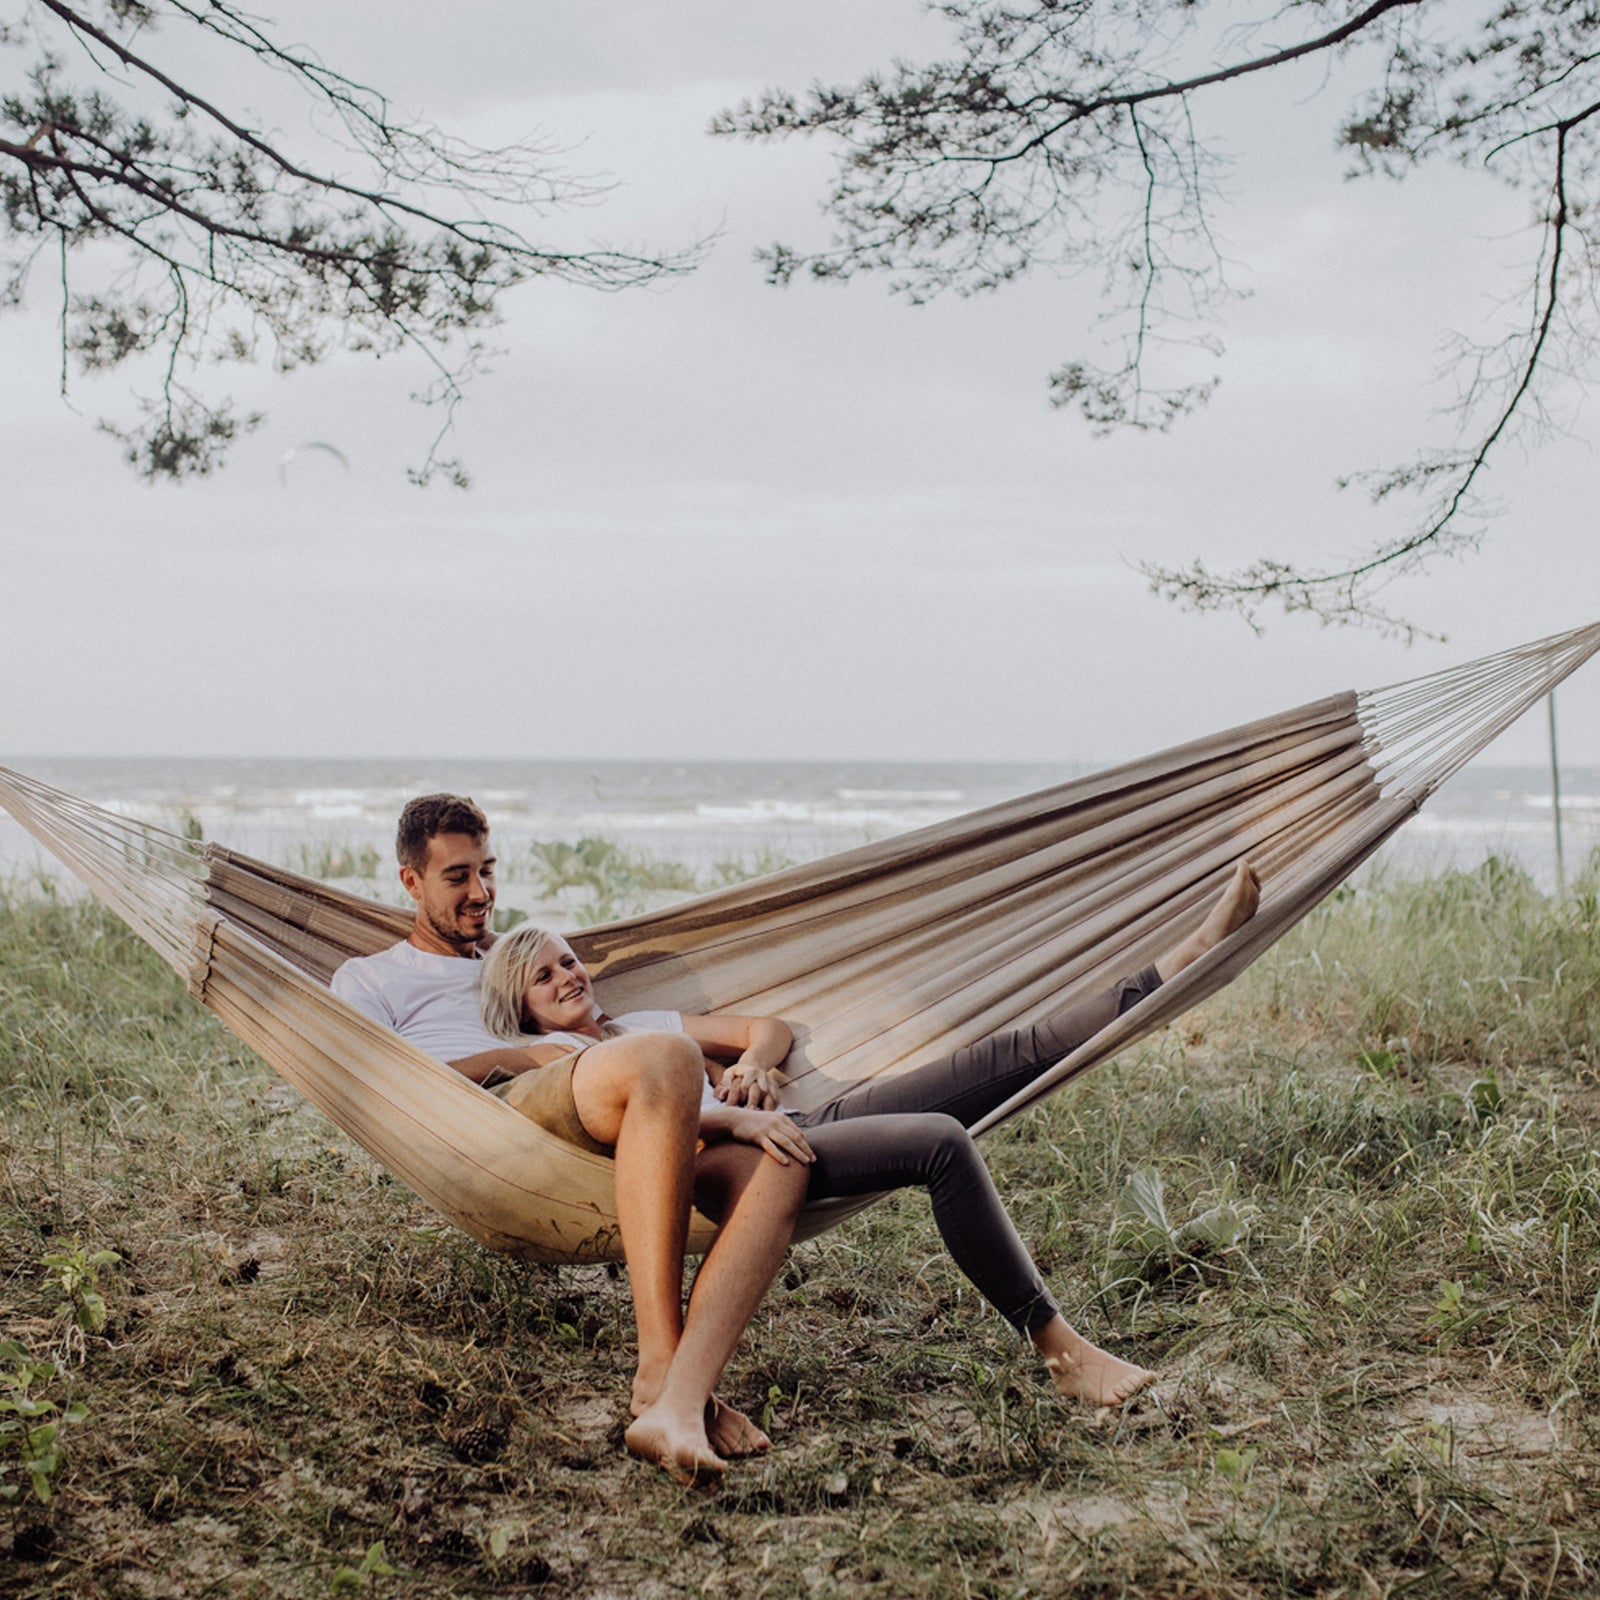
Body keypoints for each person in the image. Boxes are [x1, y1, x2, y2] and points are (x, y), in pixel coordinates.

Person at [478, 860, 1263, 1412]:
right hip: (759, 1162)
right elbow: (644, 1129)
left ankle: (1181, 958)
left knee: (1002, 1057)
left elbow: (768, 1027)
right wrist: (736, 1116)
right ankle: (1060, 1349)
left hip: (793, 1123)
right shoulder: (567, 1060)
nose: (568, 977)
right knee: (939, 1142)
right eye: (546, 978)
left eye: (569, 960)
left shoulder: (642, 1021)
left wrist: (752, 1067)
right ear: (526, 1009)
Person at [330, 794, 806, 1485]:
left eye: (487, 871)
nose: (481, 894)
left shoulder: (522, 959)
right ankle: (659, 1371)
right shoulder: (371, 978)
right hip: (493, 1109)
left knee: (779, 1161)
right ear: (411, 882)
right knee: (664, 1056)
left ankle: (673, 1393)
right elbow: (377, 1074)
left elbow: (607, 1033)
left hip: (591, 1100)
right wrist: (527, 1060)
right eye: (457, 877)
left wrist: (739, 1069)